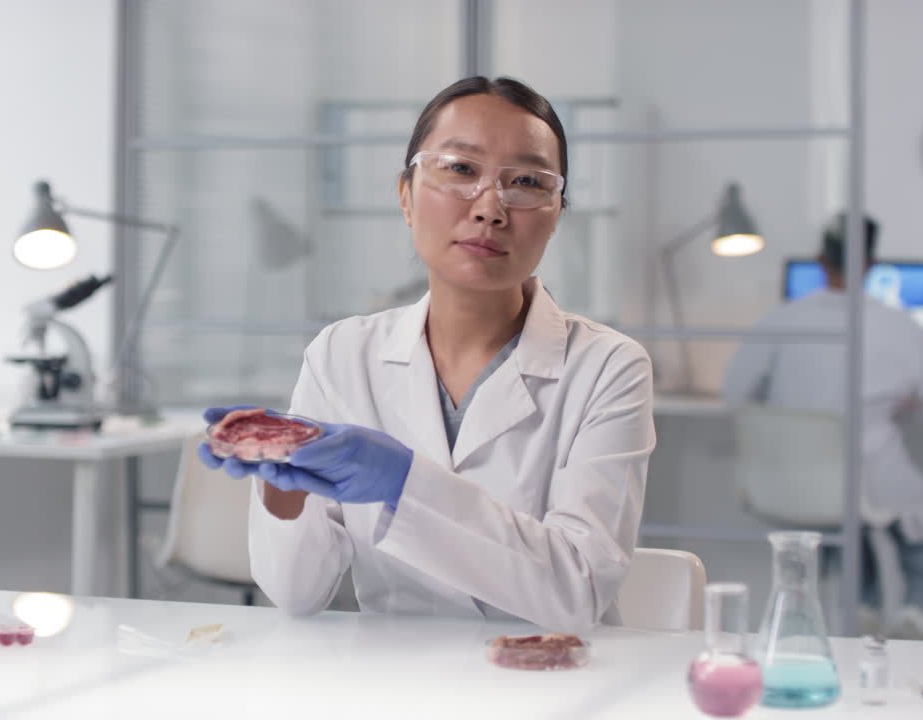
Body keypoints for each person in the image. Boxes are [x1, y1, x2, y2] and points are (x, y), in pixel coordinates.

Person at [198, 77, 656, 634]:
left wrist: (402, 481)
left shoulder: (608, 367)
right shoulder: (343, 354)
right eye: (460, 169)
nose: (490, 208)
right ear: (406, 196)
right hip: (397, 684)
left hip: (548, 679)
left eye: (528, 182)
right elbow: (296, 593)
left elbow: (577, 590)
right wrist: (282, 478)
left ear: (557, 214)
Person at [722, 212, 923, 641]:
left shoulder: (780, 320)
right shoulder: (900, 326)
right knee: (917, 515)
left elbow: (734, 392)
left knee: (845, 517)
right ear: (870, 265)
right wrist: (906, 405)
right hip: (866, 477)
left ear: (820, 260)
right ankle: (922, 608)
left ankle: (861, 604)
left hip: (791, 481)